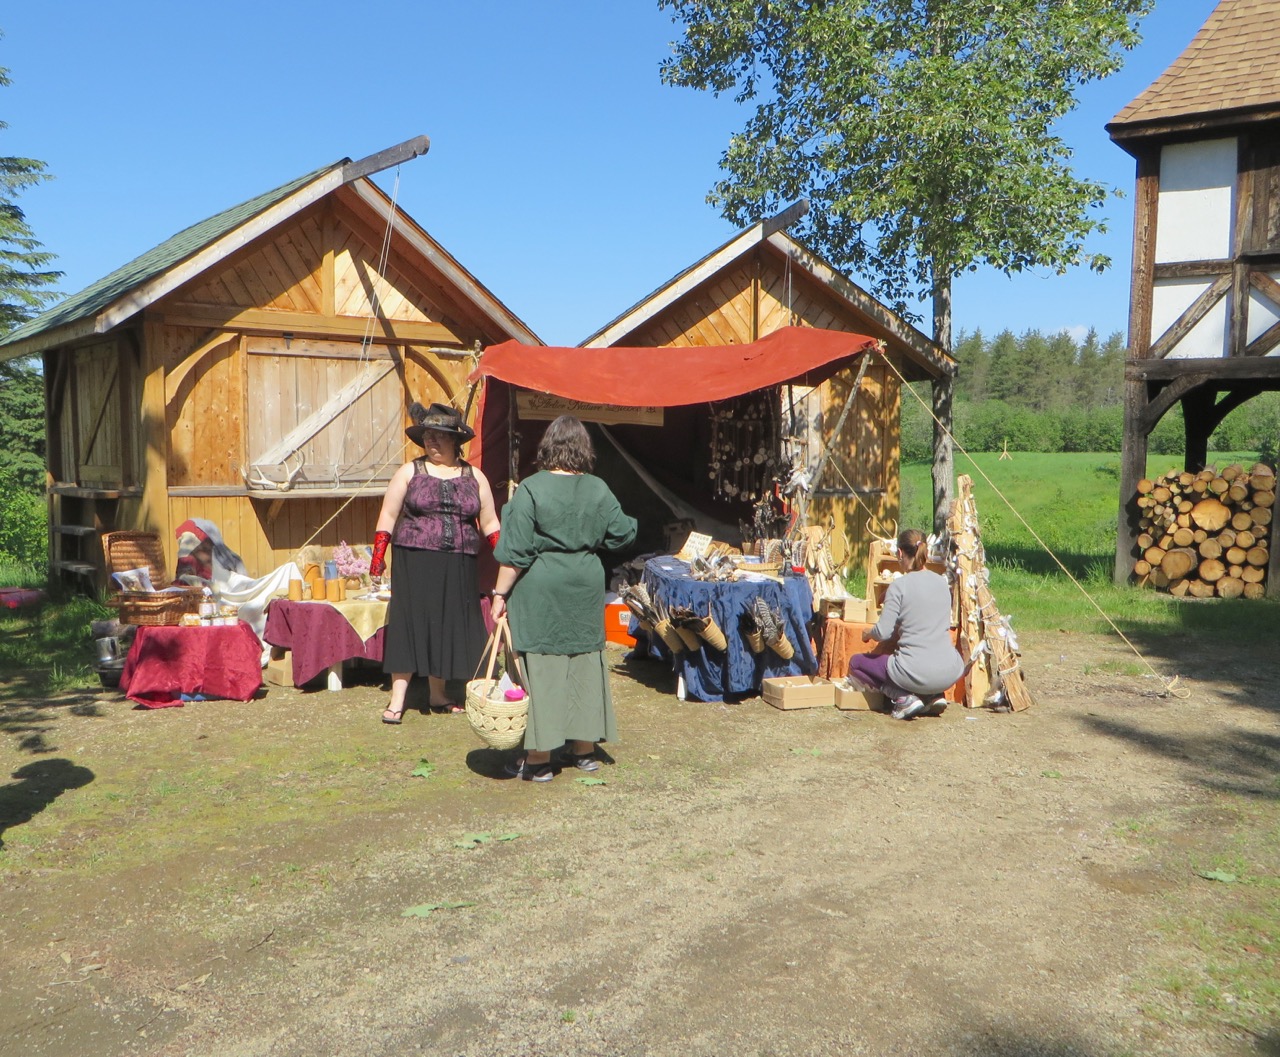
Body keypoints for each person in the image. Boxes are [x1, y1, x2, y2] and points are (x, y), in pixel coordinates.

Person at [489, 415, 637, 782]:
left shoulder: (531, 488)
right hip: (585, 582)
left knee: (544, 666)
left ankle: (539, 758)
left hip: (542, 586)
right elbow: (622, 533)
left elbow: (515, 552)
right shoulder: (598, 489)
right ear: (583, 449)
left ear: (547, 447)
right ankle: (584, 751)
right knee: (584, 660)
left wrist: (498, 594)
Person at [371, 401, 501, 724]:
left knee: (447, 625)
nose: (431, 441)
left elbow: (490, 523)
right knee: (409, 623)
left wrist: (506, 560)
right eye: (428, 435)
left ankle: (438, 694)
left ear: (455, 441)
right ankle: (397, 700)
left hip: (459, 563)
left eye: (439, 436)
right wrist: (377, 557)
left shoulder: (475, 477)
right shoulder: (409, 472)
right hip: (414, 560)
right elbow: (388, 514)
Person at [848, 528, 963, 720]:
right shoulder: (943, 583)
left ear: (900, 553)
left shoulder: (898, 586)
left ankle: (903, 697)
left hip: (914, 670)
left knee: (856, 663)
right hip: (949, 670)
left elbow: (883, 632)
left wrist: (869, 633)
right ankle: (932, 695)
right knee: (919, 664)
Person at [174, 518, 302, 662]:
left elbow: (232, 579)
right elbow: (185, 570)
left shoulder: (214, 557)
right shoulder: (192, 546)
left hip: (223, 588)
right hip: (212, 590)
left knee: (286, 571)